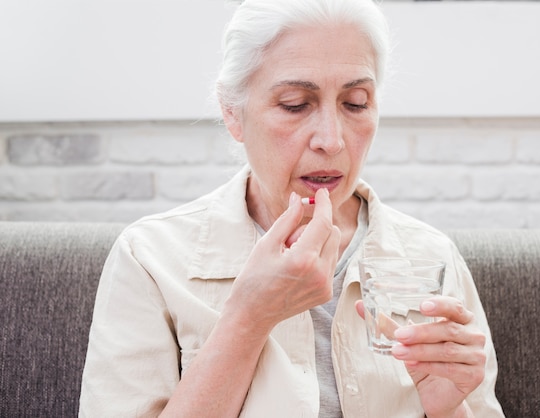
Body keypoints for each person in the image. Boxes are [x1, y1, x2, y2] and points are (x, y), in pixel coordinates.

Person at [79, 0, 504, 417]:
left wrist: (450, 410)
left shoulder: (431, 257)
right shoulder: (150, 258)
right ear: (233, 113)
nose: (331, 140)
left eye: (355, 102)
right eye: (295, 105)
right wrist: (248, 319)